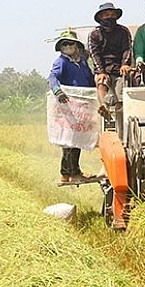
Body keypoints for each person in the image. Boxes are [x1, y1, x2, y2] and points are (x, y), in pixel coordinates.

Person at [47, 30, 97, 183]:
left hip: (83, 106)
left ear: (77, 46)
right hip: (68, 105)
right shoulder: (61, 62)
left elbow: (89, 79)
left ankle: (70, 172)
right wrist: (57, 91)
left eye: (71, 43)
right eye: (65, 44)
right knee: (68, 139)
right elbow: (52, 77)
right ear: (61, 47)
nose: (68, 46)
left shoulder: (81, 62)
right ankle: (70, 173)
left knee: (78, 138)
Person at [88, 2, 132, 119]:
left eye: (112, 14)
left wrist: (125, 64)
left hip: (120, 70)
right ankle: (104, 106)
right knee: (101, 81)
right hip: (103, 69)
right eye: (106, 14)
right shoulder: (94, 34)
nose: (110, 17)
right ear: (100, 17)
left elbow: (127, 49)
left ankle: (120, 125)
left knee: (121, 98)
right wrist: (101, 71)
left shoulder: (123, 31)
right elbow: (94, 54)